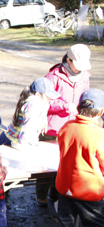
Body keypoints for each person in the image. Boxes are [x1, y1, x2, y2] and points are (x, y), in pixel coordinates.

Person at [54, 89, 104, 227]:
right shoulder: (99, 135)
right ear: (100, 112)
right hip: (89, 190)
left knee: (66, 223)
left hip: (65, 185)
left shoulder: (66, 127)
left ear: (78, 107)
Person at [38, 44, 91, 206]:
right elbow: (44, 100)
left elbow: (85, 95)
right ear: (68, 60)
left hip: (73, 127)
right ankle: (41, 196)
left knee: (64, 163)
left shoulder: (85, 76)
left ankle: (56, 195)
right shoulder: (53, 76)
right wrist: (65, 105)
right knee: (45, 166)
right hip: (53, 128)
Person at [0, 77, 60, 150]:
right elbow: (28, 127)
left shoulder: (42, 103)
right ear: (38, 94)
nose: (49, 98)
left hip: (18, 140)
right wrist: (25, 147)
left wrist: (33, 141)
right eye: (47, 96)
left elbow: (35, 126)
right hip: (12, 141)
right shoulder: (33, 105)